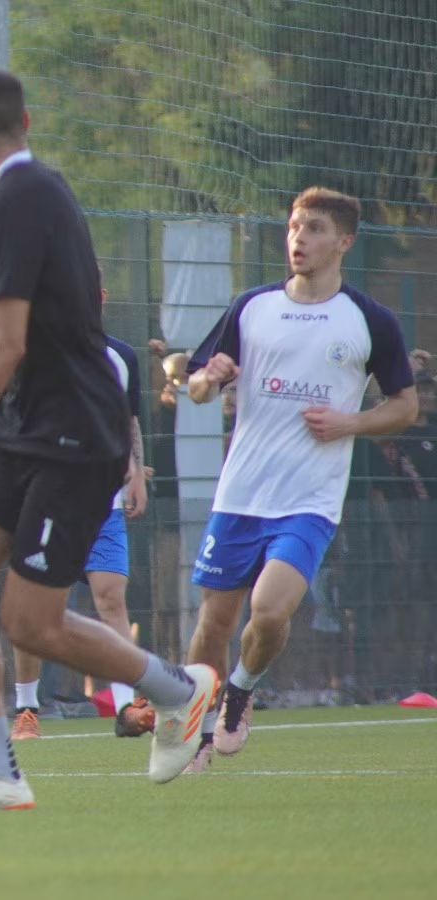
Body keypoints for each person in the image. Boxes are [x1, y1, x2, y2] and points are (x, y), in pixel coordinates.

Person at [0, 69, 217, 811]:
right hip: (22, 428)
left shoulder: (15, 201)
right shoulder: (39, 191)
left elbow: (3, 343)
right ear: (26, 122)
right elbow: (24, 343)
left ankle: (178, 691)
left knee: (28, 620)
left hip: (73, 432)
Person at [180, 187, 416, 772]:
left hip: (310, 501)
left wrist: (350, 422)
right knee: (214, 623)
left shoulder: (369, 320)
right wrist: (209, 378)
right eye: (293, 227)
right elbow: (197, 385)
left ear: (344, 241)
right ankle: (194, 734)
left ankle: (240, 691)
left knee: (268, 610)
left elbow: (405, 406)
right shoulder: (252, 307)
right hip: (241, 495)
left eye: (314, 229)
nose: (299, 239)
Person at [9, 274, 155, 741]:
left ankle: (125, 706)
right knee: (33, 613)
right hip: (46, 505)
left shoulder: (122, 357)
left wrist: (136, 472)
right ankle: (27, 709)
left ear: (101, 298)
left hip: (103, 508)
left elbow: (128, 421)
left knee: (111, 599)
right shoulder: (35, 351)